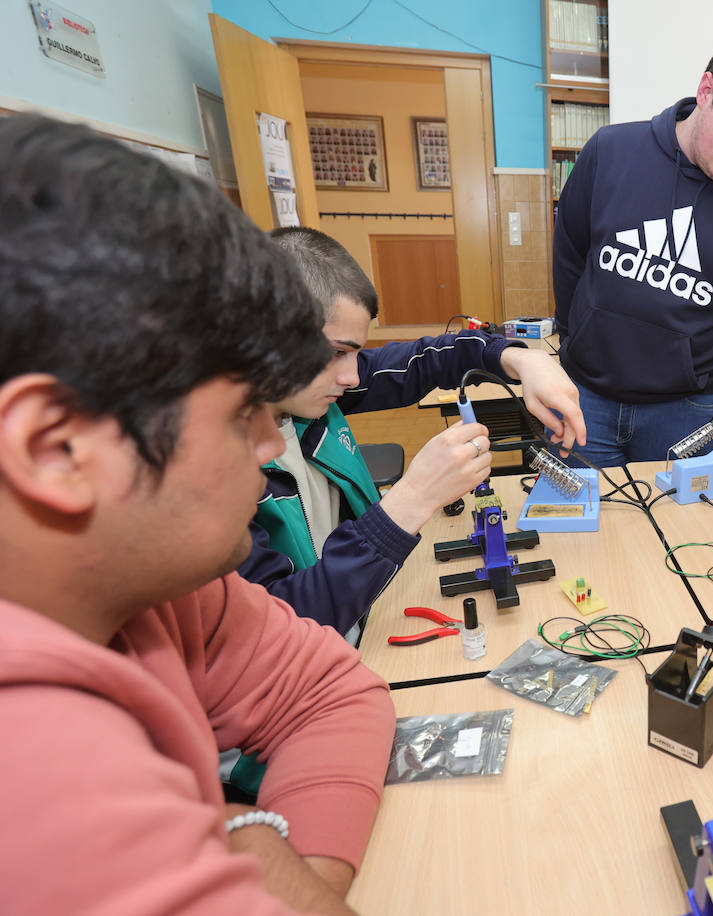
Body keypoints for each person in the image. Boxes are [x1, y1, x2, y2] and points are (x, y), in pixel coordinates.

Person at [0, 114, 394, 914]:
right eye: (243, 411)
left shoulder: (154, 580)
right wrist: (249, 845)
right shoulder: (31, 772)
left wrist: (268, 856)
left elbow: (332, 692)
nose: (268, 441)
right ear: (56, 449)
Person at [237, 227, 585, 646]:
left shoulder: (305, 392)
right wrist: (413, 498)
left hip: (367, 613)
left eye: (355, 354)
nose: (351, 377)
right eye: (335, 353)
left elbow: (432, 358)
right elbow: (274, 632)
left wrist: (520, 359)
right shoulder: (215, 474)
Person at [553, 16, 713, 472]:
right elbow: (570, 257)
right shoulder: (610, 152)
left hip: (689, 412)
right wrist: (576, 341)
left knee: (684, 541)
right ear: (707, 89)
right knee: (582, 538)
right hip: (585, 397)